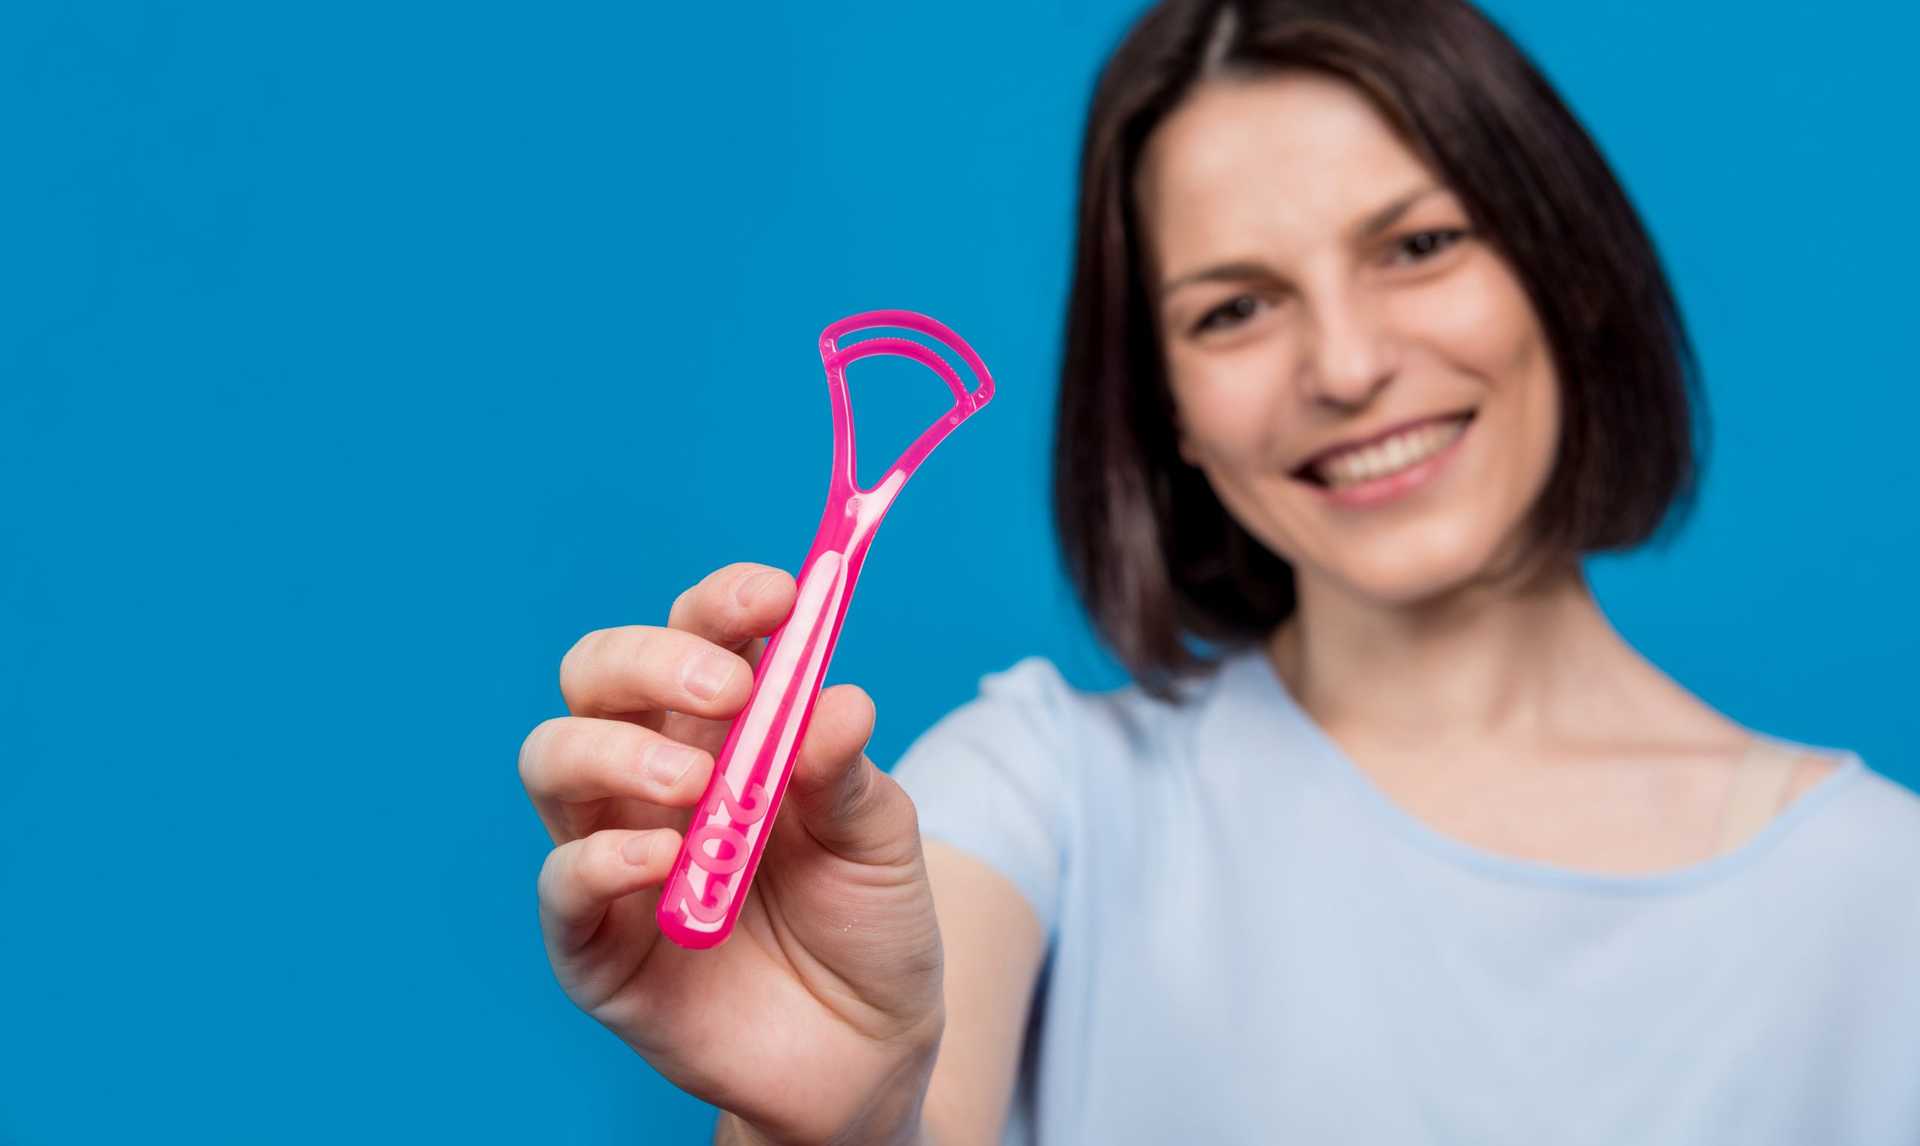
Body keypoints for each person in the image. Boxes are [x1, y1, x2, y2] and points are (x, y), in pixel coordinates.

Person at [516, 1, 1920, 1142]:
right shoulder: (1041, 788)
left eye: (1419, 246)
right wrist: (851, 1118)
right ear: (1166, 404)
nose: (1349, 366)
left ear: (1566, 271)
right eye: (1236, 307)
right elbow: (897, 1087)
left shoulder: (1885, 897)